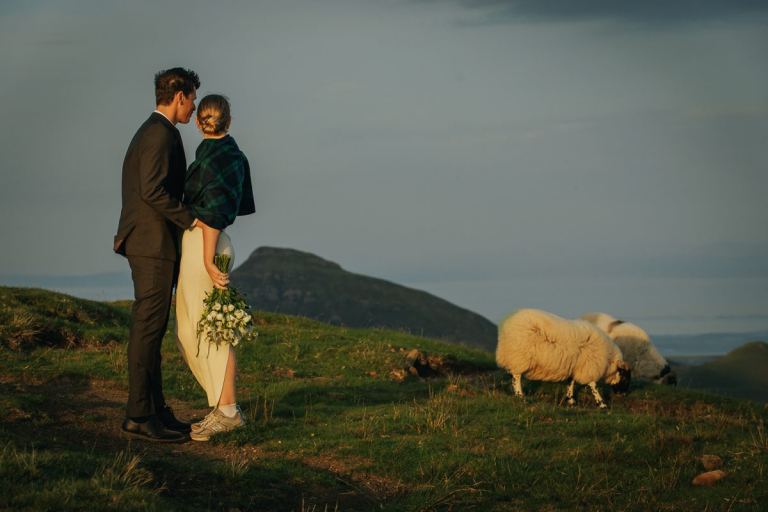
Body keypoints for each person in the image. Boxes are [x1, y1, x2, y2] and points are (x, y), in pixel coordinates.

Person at [114, 67, 204, 443]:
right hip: (150, 246)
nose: (195, 105)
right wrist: (191, 220)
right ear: (179, 95)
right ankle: (138, 415)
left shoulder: (160, 131)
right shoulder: (156, 134)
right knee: (147, 330)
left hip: (153, 244)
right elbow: (152, 190)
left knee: (153, 331)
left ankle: (157, 411)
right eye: (192, 97)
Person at [174, 94, 255, 442]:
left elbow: (210, 215)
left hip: (205, 244)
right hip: (215, 241)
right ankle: (222, 407)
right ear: (229, 121)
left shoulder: (212, 159)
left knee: (207, 329)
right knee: (202, 327)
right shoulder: (231, 155)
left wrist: (207, 260)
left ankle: (228, 411)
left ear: (199, 122)